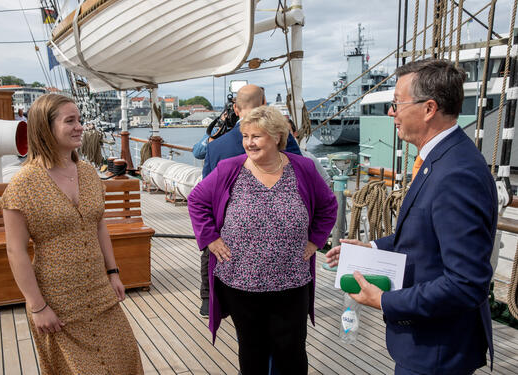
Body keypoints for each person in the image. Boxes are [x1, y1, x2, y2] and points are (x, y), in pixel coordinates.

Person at [326, 59, 497, 375]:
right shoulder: (442, 159)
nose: (391, 112)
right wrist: (373, 249)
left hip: (437, 353)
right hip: (429, 345)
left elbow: (466, 283)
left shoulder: (456, 173)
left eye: (396, 104)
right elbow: (426, 235)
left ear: (429, 108)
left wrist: (386, 301)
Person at [0, 94, 143, 375]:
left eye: (79, 120)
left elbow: (99, 225)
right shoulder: (23, 184)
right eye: (70, 121)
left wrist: (113, 272)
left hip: (100, 290)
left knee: (125, 357)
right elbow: (15, 251)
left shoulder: (88, 173)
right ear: (46, 128)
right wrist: (38, 306)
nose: (79, 127)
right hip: (57, 299)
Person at [188, 105, 337, 375]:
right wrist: (210, 238)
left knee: (291, 351)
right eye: (245, 136)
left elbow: (328, 206)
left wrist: (315, 240)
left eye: (256, 136)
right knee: (251, 349)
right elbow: (197, 200)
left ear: (277, 137)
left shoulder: (303, 168)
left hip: (291, 280)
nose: (249, 143)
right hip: (241, 280)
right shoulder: (229, 169)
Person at [198, 84, 302, 317]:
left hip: (230, 240)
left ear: (235, 108)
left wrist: (211, 237)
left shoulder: (216, 147)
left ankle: (211, 301)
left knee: (248, 331)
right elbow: (302, 181)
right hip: (280, 249)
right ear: (264, 104)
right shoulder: (281, 139)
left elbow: (203, 198)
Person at [288, 119, 330, 184]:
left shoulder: (308, 158)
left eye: (287, 132)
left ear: (295, 134)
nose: (283, 135)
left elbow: (325, 180)